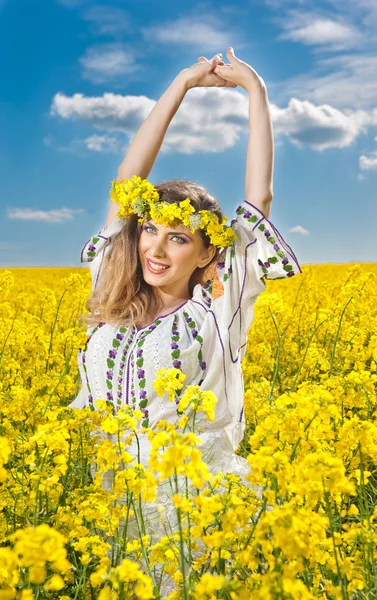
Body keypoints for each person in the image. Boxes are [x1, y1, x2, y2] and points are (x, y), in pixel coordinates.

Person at [69, 48, 302, 575]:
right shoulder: (114, 293)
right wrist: (181, 83)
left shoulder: (218, 306)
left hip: (190, 501)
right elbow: (129, 178)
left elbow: (258, 197)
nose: (155, 248)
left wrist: (255, 92)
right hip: (108, 497)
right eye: (149, 230)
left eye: (177, 238)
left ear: (207, 254)